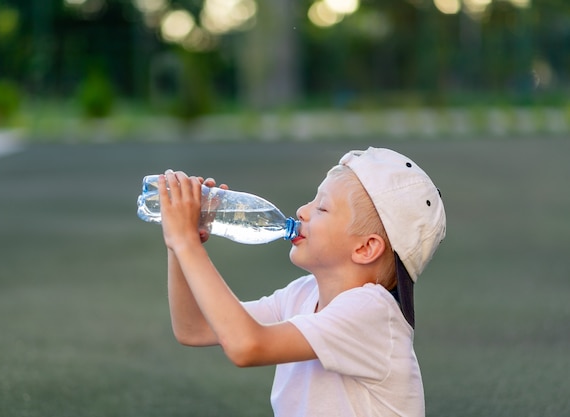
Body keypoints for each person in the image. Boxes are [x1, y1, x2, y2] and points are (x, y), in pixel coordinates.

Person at [158, 147, 446, 417]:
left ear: (365, 248)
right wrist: (181, 245)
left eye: (322, 208)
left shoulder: (373, 313)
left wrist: (185, 243)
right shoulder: (303, 293)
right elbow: (193, 329)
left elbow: (246, 346)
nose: (302, 211)